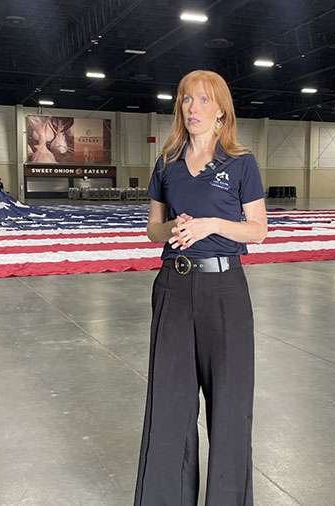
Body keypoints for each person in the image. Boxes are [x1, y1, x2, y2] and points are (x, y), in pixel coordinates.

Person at [135, 69, 267, 506]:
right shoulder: (167, 162)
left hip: (224, 291)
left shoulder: (241, 162)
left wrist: (213, 224)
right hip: (173, 288)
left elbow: (258, 230)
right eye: (187, 99)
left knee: (229, 408)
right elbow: (153, 230)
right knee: (169, 408)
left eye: (204, 100)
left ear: (221, 110)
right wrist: (172, 225)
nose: (193, 108)